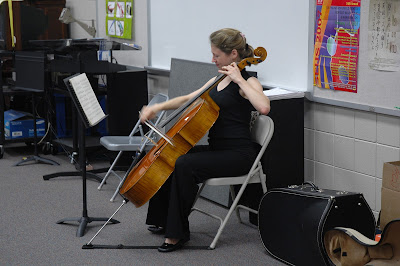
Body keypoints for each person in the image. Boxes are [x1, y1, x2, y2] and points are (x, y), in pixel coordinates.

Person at [139, 28, 271, 252]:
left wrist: (239, 79)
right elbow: (188, 99)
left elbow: (264, 107)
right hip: (218, 151)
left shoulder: (248, 82)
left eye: (217, 55)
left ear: (234, 55)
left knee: (185, 164)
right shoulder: (217, 79)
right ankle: (163, 220)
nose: (213, 59)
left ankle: (177, 235)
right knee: (171, 155)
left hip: (240, 156)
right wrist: (156, 108)